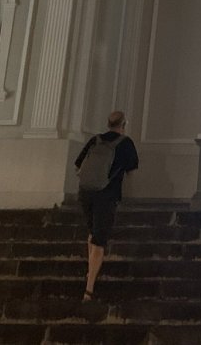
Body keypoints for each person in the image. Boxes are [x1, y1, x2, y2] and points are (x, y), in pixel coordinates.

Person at [74, 110, 139, 301]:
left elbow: (78, 165)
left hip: (86, 192)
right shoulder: (126, 143)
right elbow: (131, 170)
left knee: (93, 233)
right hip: (107, 194)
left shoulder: (95, 140)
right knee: (100, 240)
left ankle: (90, 271)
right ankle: (90, 288)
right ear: (124, 124)